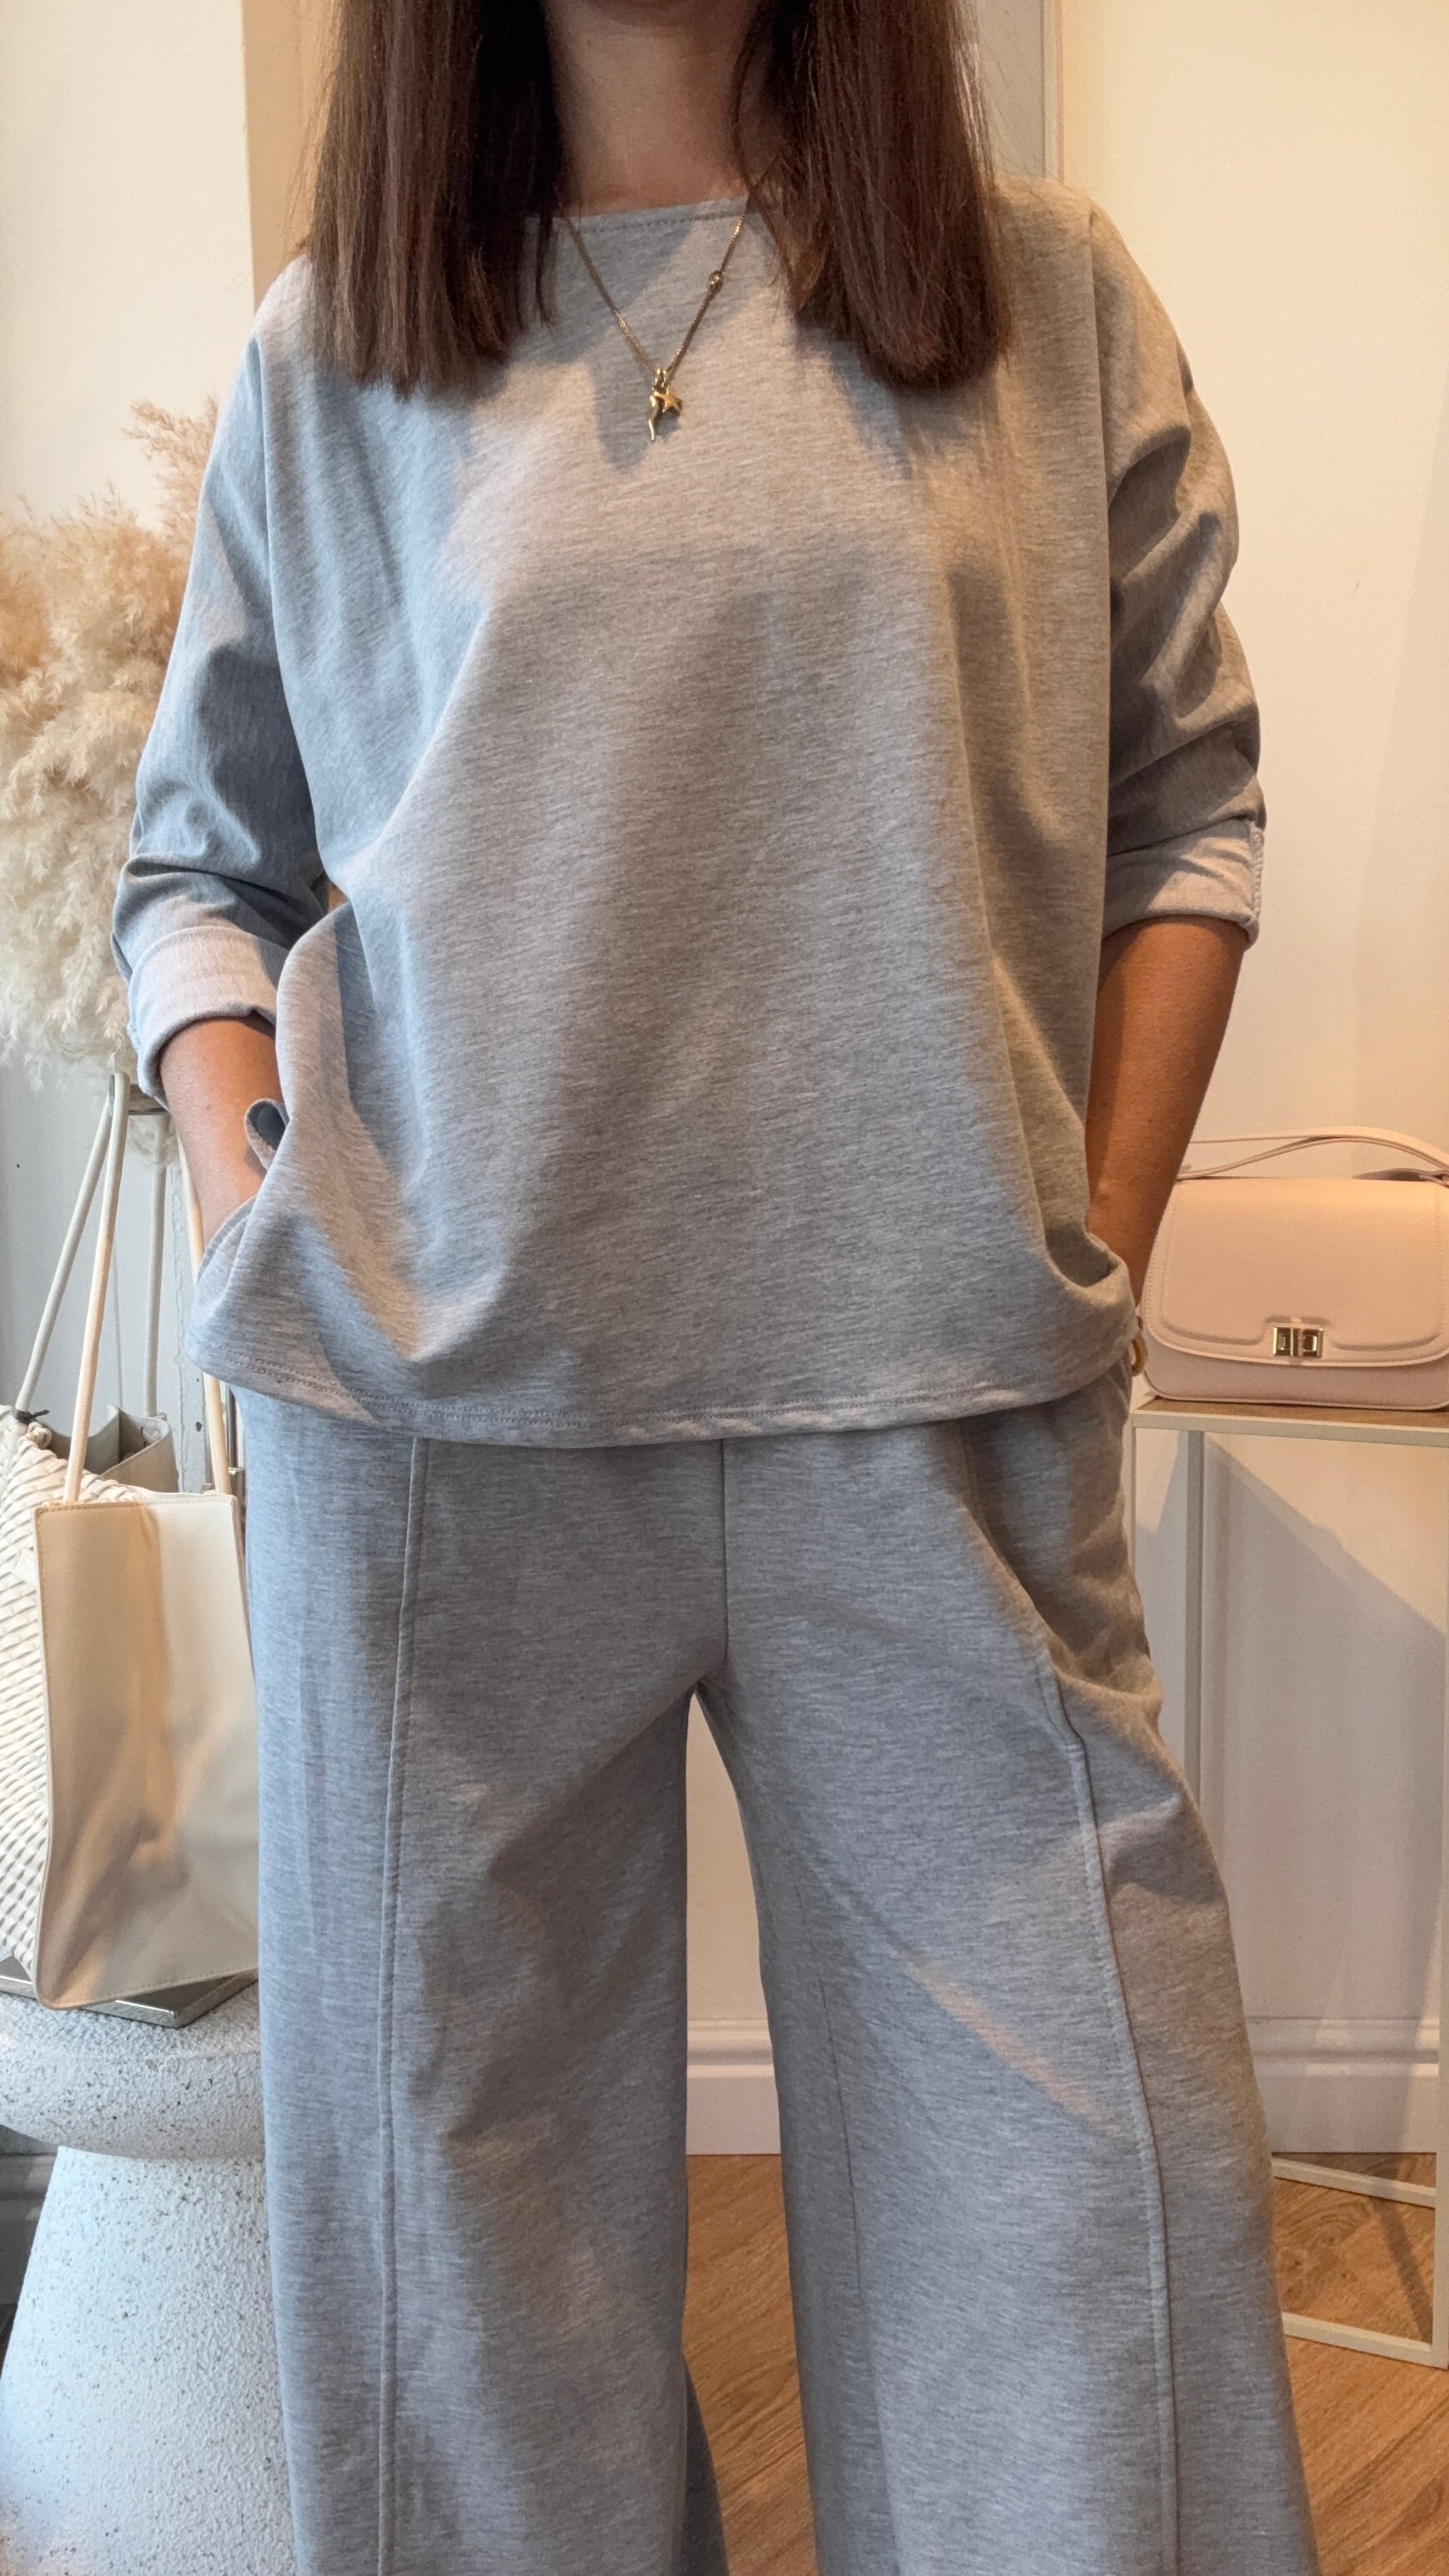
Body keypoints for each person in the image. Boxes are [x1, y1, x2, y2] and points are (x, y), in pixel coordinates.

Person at [111, 2, 1321, 2570]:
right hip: (435, 1441)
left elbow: (1186, 811)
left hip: (936, 1410)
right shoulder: (341, 345)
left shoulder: (1037, 296)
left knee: (1089, 2224)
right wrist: (253, 1196)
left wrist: (1090, 1244)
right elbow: (197, 868)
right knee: (462, 2290)